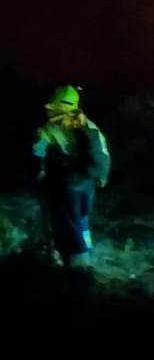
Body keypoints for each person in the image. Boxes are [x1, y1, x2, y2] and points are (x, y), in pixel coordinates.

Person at [32, 85, 110, 265]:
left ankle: (78, 262)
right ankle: (71, 253)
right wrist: (40, 169)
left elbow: (101, 158)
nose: (56, 120)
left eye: (61, 116)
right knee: (72, 218)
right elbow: (39, 150)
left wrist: (99, 177)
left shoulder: (89, 129)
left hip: (82, 180)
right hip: (70, 178)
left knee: (75, 219)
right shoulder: (49, 128)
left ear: (73, 113)